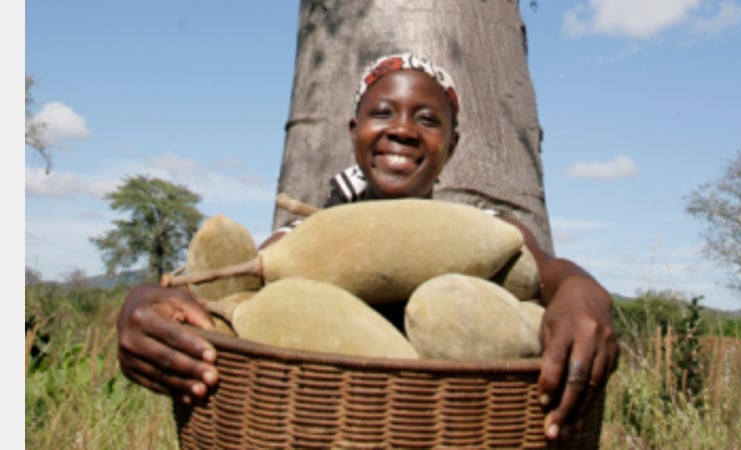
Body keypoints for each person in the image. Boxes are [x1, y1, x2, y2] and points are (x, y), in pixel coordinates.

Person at [116, 53, 618, 441]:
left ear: (453, 144)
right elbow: (233, 287)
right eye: (383, 113)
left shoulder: (488, 233)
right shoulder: (307, 240)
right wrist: (145, 302)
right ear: (355, 132)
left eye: (427, 119)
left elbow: (550, 273)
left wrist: (582, 294)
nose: (402, 128)